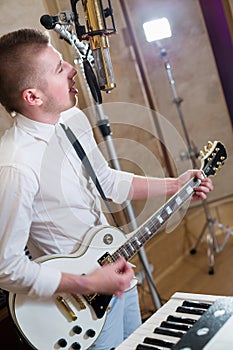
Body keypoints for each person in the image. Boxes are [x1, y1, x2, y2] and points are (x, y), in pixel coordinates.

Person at [0, 28, 213, 349]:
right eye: (59, 69)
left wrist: (176, 184)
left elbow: (108, 182)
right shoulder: (15, 166)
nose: (73, 68)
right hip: (75, 308)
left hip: (116, 276)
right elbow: (7, 268)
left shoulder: (72, 118)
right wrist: (88, 282)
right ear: (33, 96)